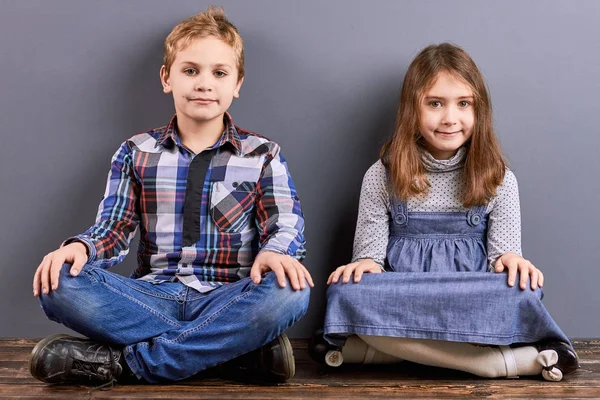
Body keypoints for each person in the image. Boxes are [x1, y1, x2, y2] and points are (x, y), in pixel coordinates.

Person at [30, 6, 313, 386]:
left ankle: (127, 365)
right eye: (190, 70)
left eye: (219, 73)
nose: (204, 83)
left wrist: (275, 251)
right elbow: (113, 227)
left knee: (289, 291)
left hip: (228, 298)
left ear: (237, 83)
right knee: (59, 282)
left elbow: (287, 222)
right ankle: (231, 353)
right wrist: (81, 248)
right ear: (167, 78)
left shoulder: (262, 154)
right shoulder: (135, 151)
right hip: (149, 296)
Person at [311, 43, 578, 382]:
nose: (450, 118)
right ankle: (494, 364)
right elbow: (370, 260)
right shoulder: (382, 175)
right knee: (344, 291)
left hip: (467, 296)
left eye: (463, 104)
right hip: (404, 295)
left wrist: (513, 260)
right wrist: (363, 266)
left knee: (522, 291)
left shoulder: (499, 179)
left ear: (478, 110)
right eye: (435, 103)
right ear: (412, 109)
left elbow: (503, 258)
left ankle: (380, 351)